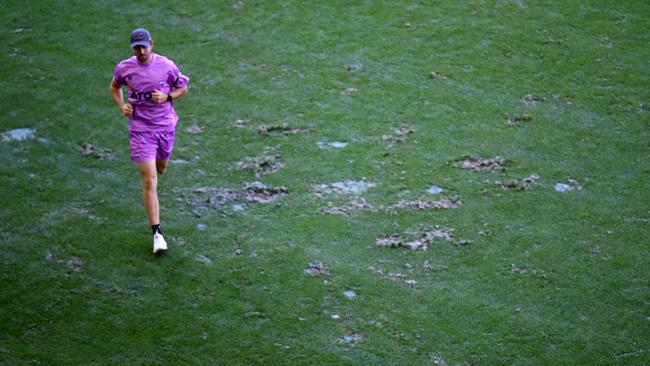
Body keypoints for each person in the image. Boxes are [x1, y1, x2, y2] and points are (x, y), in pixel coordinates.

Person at [110, 28, 189, 253]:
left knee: (161, 169)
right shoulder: (125, 68)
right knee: (149, 180)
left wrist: (167, 97)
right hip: (140, 130)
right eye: (137, 48)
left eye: (144, 46)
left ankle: (154, 166)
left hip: (164, 127)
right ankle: (157, 234)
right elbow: (114, 87)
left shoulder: (167, 66)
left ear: (151, 45)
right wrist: (122, 105)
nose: (141, 51)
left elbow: (183, 87)